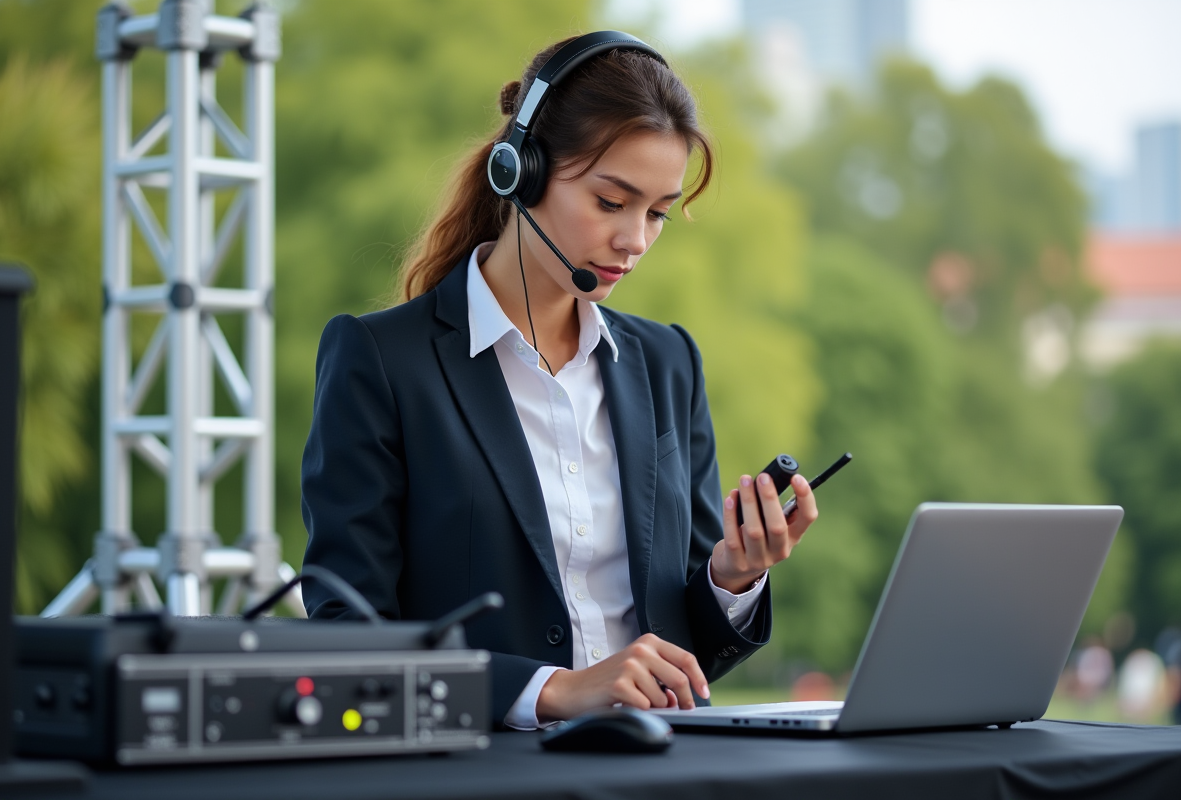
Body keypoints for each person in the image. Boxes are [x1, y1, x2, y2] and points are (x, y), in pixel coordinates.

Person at [300, 31, 819, 730]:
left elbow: (690, 650)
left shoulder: (668, 364)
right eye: (611, 202)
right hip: (481, 774)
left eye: (658, 212)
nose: (635, 239)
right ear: (522, 172)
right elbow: (347, 634)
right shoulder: (382, 361)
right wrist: (549, 690)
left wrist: (732, 577)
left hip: (662, 765)